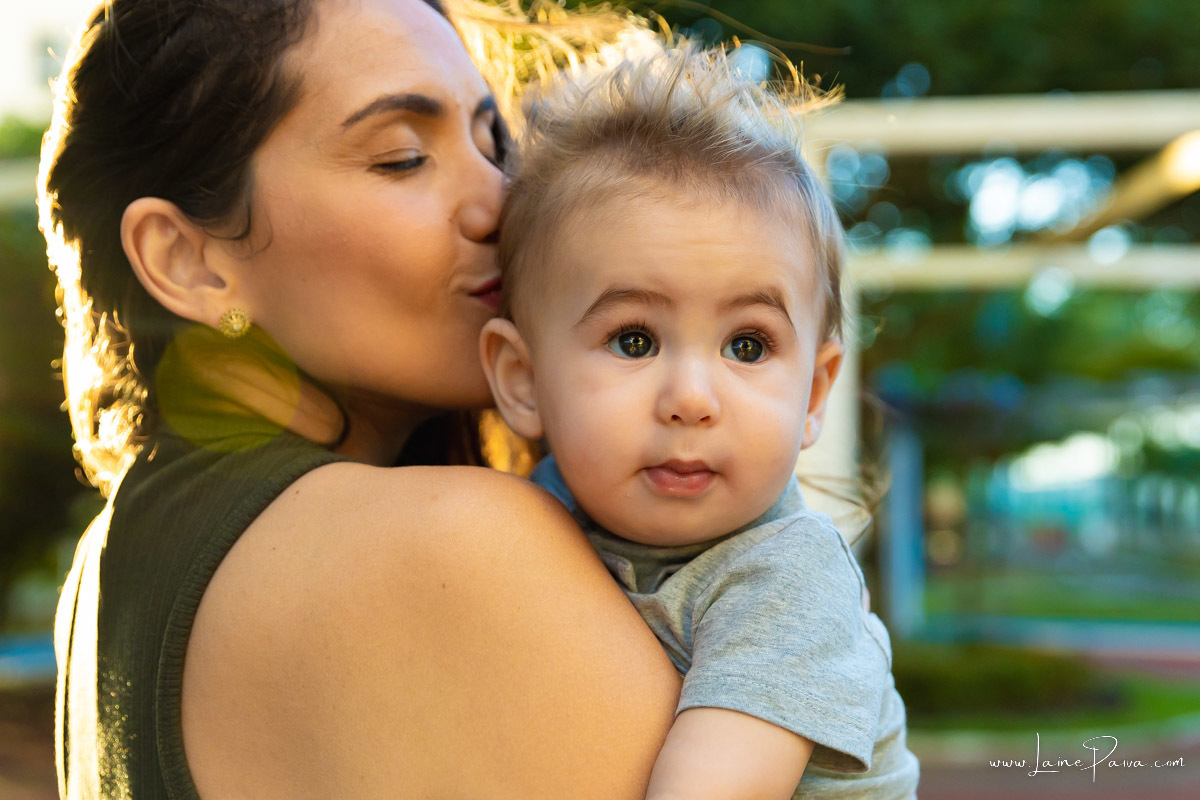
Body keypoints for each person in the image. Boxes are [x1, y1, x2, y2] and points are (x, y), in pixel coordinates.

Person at [40, 0, 686, 797]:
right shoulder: (458, 548)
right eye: (403, 157)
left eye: (494, 144)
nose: (501, 204)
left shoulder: (103, 578)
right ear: (188, 261)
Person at [479, 46, 920, 798]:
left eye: (747, 346)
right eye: (634, 340)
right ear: (523, 381)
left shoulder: (786, 579)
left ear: (813, 395)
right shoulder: (523, 518)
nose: (691, 398)